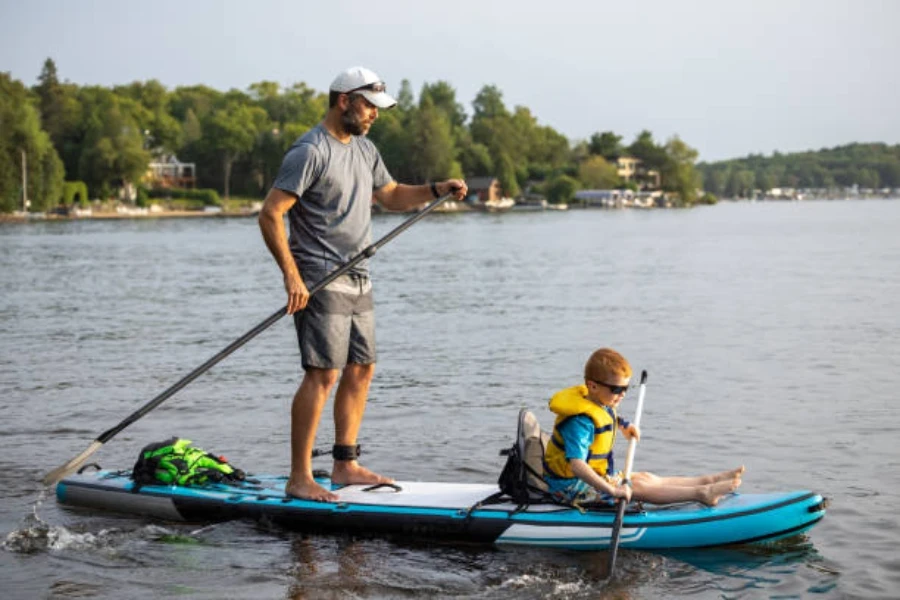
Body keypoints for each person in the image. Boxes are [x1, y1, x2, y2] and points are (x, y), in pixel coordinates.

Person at [258, 66, 467, 502]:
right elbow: (271, 213)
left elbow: (390, 196)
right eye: (369, 106)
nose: (374, 115)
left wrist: (435, 188)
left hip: (358, 275)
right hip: (320, 276)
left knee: (362, 369)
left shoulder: (366, 151)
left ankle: (344, 464)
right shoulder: (309, 151)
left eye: (377, 108)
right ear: (343, 100)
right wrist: (292, 276)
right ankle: (300, 476)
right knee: (323, 375)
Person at [542, 348, 744, 507]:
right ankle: (702, 494)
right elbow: (577, 465)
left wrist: (624, 425)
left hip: (595, 477)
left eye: (626, 389)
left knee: (645, 477)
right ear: (592, 386)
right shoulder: (579, 422)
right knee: (637, 486)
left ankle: (707, 480)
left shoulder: (599, 404)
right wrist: (613, 491)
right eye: (617, 389)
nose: (622, 395)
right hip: (569, 488)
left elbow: (606, 418)